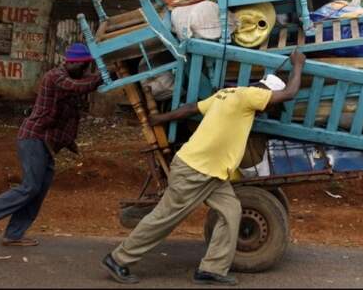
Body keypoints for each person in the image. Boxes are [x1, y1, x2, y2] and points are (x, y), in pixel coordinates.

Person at [100, 50, 306, 286]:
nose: (266, 112)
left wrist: (162, 119)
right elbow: (290, 92)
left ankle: (211, 269)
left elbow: (190, 109)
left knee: (231, 211)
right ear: (267, 92)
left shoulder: (227, 94)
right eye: (270, 107)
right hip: (194, 170)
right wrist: (298, 64)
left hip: (213, 174)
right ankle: (118, 259)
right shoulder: (251, 95)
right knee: (163, 219)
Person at [0, 43, 102, 247]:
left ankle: (13, 234)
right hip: (33, 138)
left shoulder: (69, 77)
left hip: (44, 143)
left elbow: (69, 109)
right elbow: (80, 86)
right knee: (30, 186)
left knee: (38, 190)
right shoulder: (55, 77)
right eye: (84, 67)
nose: (86, 71)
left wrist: (69, 142)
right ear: (73, 63)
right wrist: (106, 74)